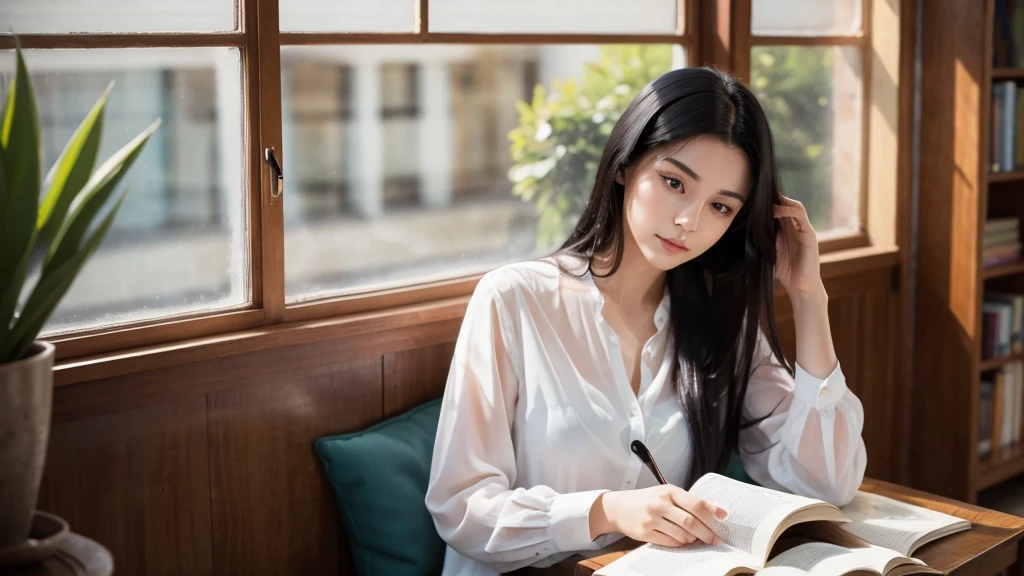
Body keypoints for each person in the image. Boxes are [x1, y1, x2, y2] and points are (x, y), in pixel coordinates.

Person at [424, 66, 867, 576]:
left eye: (721, 207)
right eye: (674, 182)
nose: (690, 221)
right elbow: (462, 510)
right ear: (624, 165)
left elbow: (826, 483)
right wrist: (604, 511)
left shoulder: (722, 323)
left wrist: (809, 297)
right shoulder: (515, 300)